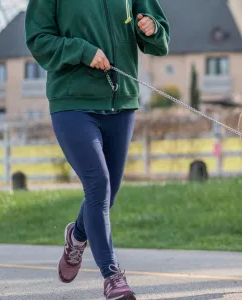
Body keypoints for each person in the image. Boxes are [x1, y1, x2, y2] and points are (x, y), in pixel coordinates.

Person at [24, 1, 169, 299]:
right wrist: (82, 50)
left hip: (122, 104)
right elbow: (38, 39)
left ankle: (77, 237)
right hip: (72, 102)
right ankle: (112, 275)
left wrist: (152, 28)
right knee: (97, 183)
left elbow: (160, 40)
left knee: (108, 193)